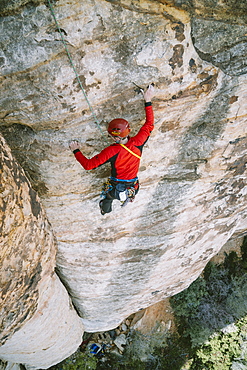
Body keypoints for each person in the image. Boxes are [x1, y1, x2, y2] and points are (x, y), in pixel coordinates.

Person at [69, 84, 154, 215]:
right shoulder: (138, 142)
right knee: (120, 191)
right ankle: (128, 196)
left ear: (114, 137)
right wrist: (147, 99)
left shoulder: (111, 151)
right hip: (133, 186)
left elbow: (88, 165)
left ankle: (105, 209)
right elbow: (149, 124)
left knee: (107, 197)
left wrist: (76, 150)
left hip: (116, 189)